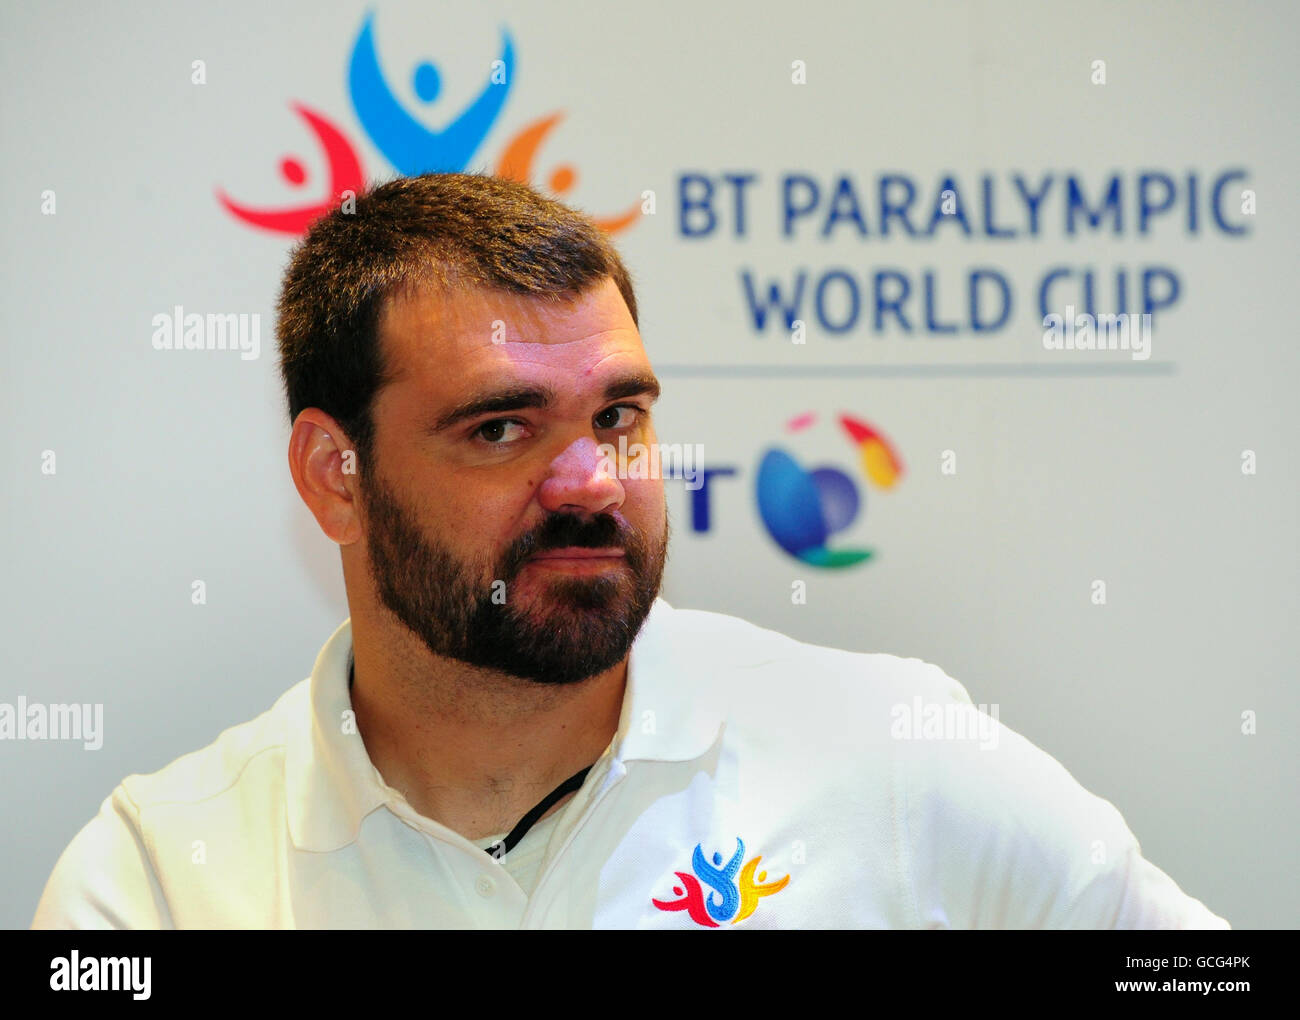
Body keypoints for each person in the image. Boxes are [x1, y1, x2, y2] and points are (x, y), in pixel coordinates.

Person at [31, 172, 1230, 929]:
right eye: (500, 428)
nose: (595, 483)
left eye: (618, 418)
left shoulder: (887, 755)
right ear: (335, 476)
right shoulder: (159, 881)